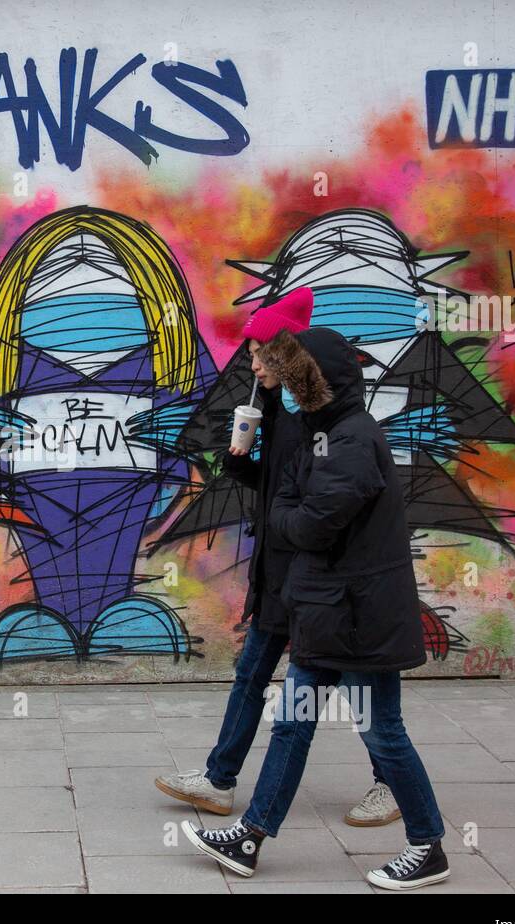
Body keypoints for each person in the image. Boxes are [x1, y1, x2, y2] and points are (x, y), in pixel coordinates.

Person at [182, 326, 450, 891]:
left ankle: (428, 846)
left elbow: (311, 523)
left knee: (383, 733)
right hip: (327, 612)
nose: (280, 379)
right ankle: (251, 837)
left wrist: (282, 506)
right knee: (292, 724)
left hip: (360, 622)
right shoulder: (323, 432)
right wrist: (279, 491)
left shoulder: (352, 439)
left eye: (294, 371)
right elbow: (294, 496)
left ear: (317, 378)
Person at [154, 289, 398, 828]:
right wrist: (240, 463)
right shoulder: (271, 406)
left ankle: (391, 782)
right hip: (279, 570)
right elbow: (280, 483)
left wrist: (287, 517)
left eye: (262, 352)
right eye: (252, 352)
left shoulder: (318, 413)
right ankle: (220, 780)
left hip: (325, 579)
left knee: (361, 690)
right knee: (251, 673)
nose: (252, 361)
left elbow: (322, 499)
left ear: (287, 355)